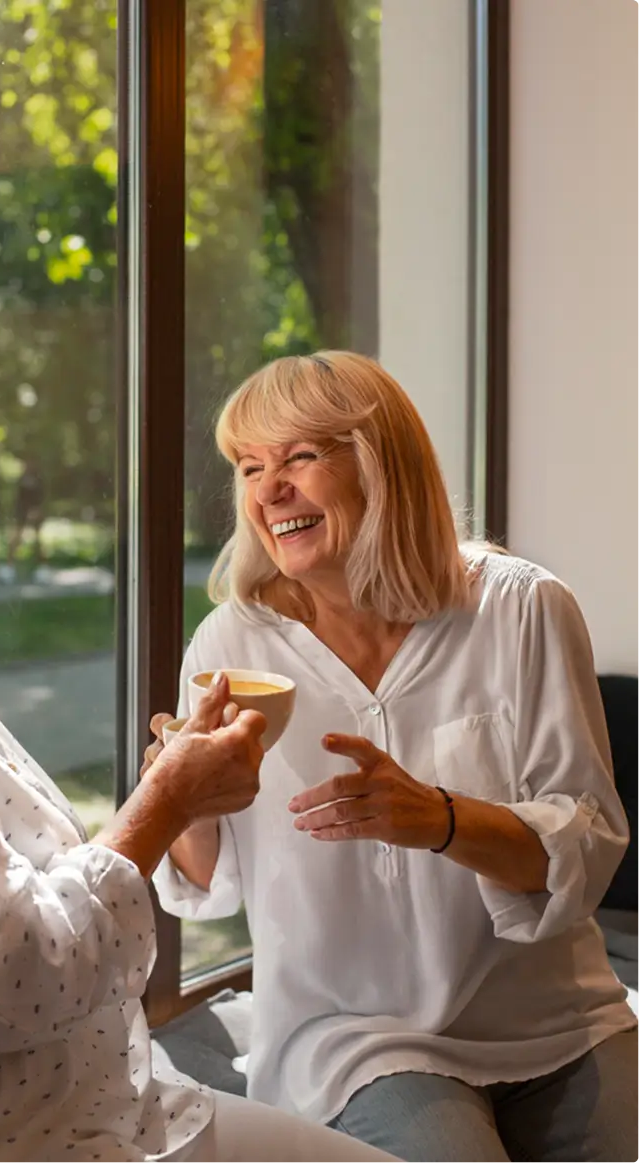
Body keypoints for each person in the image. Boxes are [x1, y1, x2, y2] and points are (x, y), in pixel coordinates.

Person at [0, 344, 400, 1163]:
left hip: (118, 1093)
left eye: (300, 456)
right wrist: (167, 804)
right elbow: (12, 984)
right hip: (34, 1133)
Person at [149, 351, 639, 1163]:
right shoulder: (233, 641)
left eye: (300, 457)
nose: (270, 490)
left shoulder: (522, 608)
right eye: (250, 466)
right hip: (353, 1034)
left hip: (557, 1017)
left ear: (384, 467)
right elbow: (206, 884)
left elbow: (587, 843)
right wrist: (179, 795)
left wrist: (442, 820)